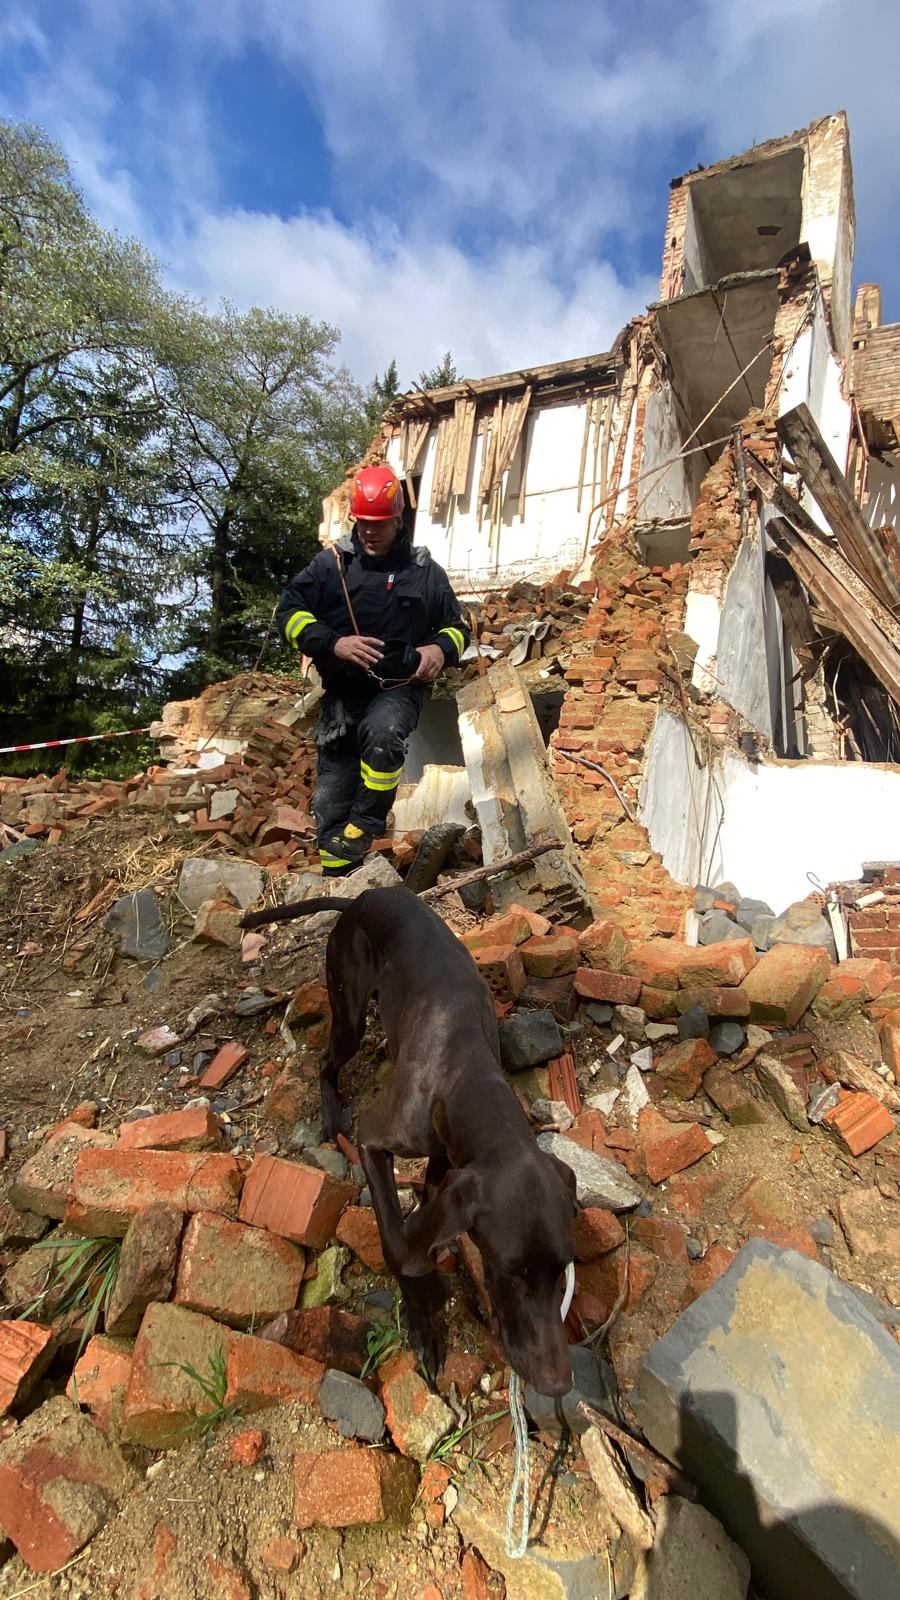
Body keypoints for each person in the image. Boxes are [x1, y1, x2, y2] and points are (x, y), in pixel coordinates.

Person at [276, 464, 470, 875]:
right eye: (363, 522)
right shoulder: (331, 566)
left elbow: (459, 628)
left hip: (397, 688)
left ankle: (366, 824)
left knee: (383, 734)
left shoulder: (425, 573)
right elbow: (288, 613)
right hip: (342, 696)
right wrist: (333, 643)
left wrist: (439, 649)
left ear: (398, 520)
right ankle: (340, 880)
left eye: (379, 523)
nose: (369, 532)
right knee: (330, 799)